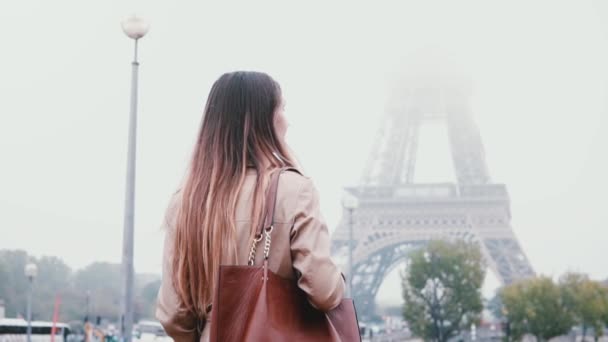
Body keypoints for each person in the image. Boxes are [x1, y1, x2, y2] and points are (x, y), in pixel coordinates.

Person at [156, 71, 345, 342]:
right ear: (265, 119)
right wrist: (339, 279)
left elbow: (174, 314)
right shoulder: (293, 190)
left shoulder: (186, 203)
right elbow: (324, 292)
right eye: (282, 108)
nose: (287, 121)